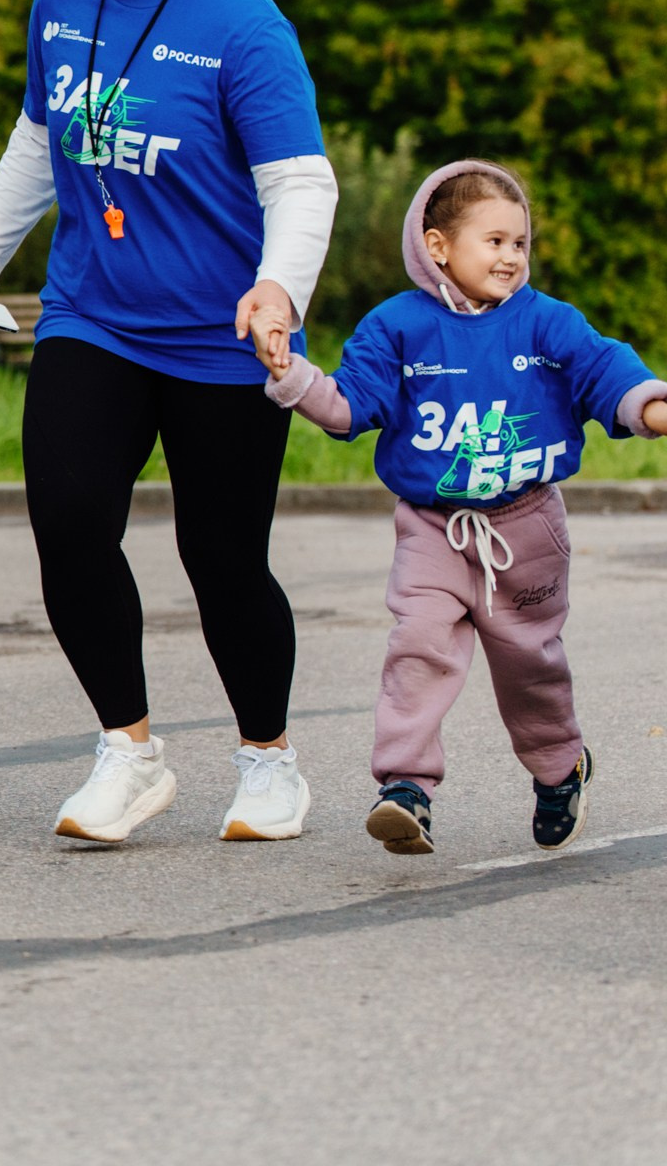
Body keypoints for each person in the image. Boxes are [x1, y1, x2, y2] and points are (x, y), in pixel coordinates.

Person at [0, 0, 339, 845]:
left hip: (219, 339)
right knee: (68, 524)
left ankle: (269, 762)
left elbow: (301, 182)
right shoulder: (62, 4)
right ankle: (129, 749)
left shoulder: (245, 27)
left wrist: (279, 289)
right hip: (92, 317)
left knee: (223, 560)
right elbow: (40, 134)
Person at [264, 161, 665, 855]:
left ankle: (557, 769)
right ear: (438, 245)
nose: (511, 257)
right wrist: (292, 376)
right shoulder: (396, 326)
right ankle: (405, 790)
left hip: (527, 525)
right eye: (495, 241)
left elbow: (606, 369)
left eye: (520, 244)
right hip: (432, 527)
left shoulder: (547, 323)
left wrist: (649, 405)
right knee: (418, 646)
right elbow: (350, 405)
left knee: (529, 664)